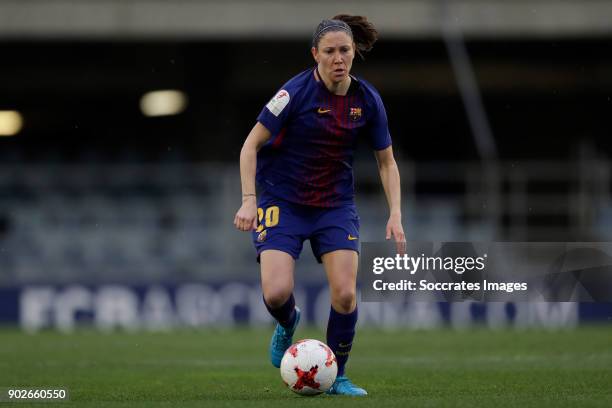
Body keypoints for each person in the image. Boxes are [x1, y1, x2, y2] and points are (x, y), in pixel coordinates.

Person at [233, 14, 404, 396]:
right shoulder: (292, 94)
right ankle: (288, 321)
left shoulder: (368, 101)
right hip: (283, 200)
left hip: (334, 205)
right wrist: (249, 201)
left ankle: (337, 375)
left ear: (354, 52)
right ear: (316, 55)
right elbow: (250, 145)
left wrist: (395, 214)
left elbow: (386, 161)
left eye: (345, 50)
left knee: (345, 294)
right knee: (276, 293)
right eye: (329, 51)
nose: (338, 58)